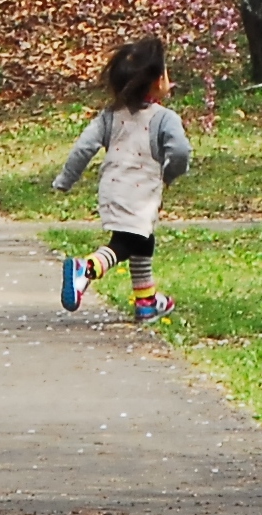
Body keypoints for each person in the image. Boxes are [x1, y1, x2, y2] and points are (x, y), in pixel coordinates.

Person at [54, 36, 193, 324]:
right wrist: (171, 172)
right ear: (156, 82)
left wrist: (66, 180)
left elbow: (84, 148)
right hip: (140, 193)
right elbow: (180, 151)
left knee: (142, 240)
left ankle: (146, 302)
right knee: (126, 244)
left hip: (112, 189)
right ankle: (87, 268)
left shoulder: (109, 117)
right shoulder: (165, 118)